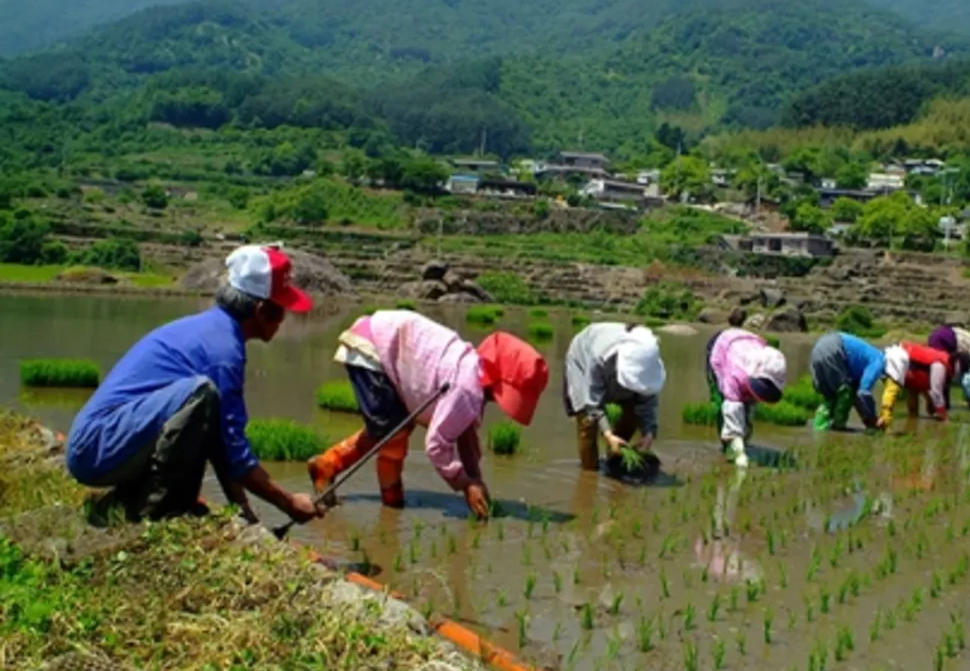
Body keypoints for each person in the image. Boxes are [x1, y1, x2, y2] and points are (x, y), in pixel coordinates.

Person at [66, 244, 323, 525]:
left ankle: (144, 498)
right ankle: (162, 511)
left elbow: (222, 442)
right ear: (261, 310)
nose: (285, 319)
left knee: (203, 402)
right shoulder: (223, 353)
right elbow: (236, 456)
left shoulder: (213, 330)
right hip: (95, 450)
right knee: (200, 393)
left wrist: (243, 510)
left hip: (103, 444)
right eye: (282, 309)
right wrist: (288, 503)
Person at [306, 310, 548, 519]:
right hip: (374, 348)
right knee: (390, 430)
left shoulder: (475, 375)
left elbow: (465, 433)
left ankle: (391, 501)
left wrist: (476, 479)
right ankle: (327, 466)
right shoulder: (467, 387)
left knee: (396, 431)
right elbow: (435, 444)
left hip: (386, 341)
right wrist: (464, 483)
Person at [564, 322, 665, 471]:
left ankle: (615, 458)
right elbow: (593, 404)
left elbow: (647, 404)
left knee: (634, 414)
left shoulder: (648, 363)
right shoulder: (598, 358)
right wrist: (608, 434)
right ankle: (589, 472)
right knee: (587, 422)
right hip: (583, 357)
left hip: (611, 366)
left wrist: (649, 433)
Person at [705, 319, 787, 467]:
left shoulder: (772, 365)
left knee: (748, 404)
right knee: (722, 404)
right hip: (720, 347)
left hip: (745, 343)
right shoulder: (735, 375)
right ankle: (728, 446)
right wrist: (738, 450)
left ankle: (743, 440)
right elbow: (732, 406)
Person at [810, 332, 901, 431]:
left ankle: (819, 429)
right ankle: (838, 427)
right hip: (836, 349)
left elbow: (857, 398)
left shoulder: (863, 361)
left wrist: (867, 420)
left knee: (830, 396)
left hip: (818, 349)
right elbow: (863, 393)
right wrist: (873, 419)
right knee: (845, 392)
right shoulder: (878, 360)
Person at [880, 342, 951, 423]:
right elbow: (935, 391)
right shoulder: (940, 364)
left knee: (914, 391)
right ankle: (887, 418)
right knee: (904, 390)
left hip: (905, 358)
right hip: (903, 360)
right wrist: (941, 411)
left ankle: (912, 420)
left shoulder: (938, 360)